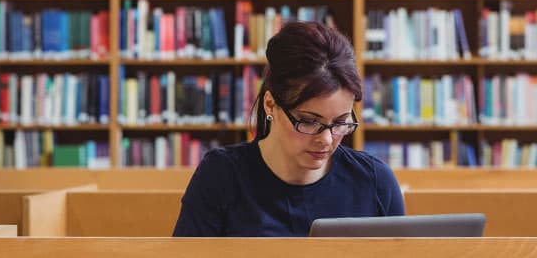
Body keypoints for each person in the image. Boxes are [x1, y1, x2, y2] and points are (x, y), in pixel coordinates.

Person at [173, 22, 405, 237]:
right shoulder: (220, 176)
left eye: (340, 123)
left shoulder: (375, 182)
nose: (326, 139)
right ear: (270, 104)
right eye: (309, 121)